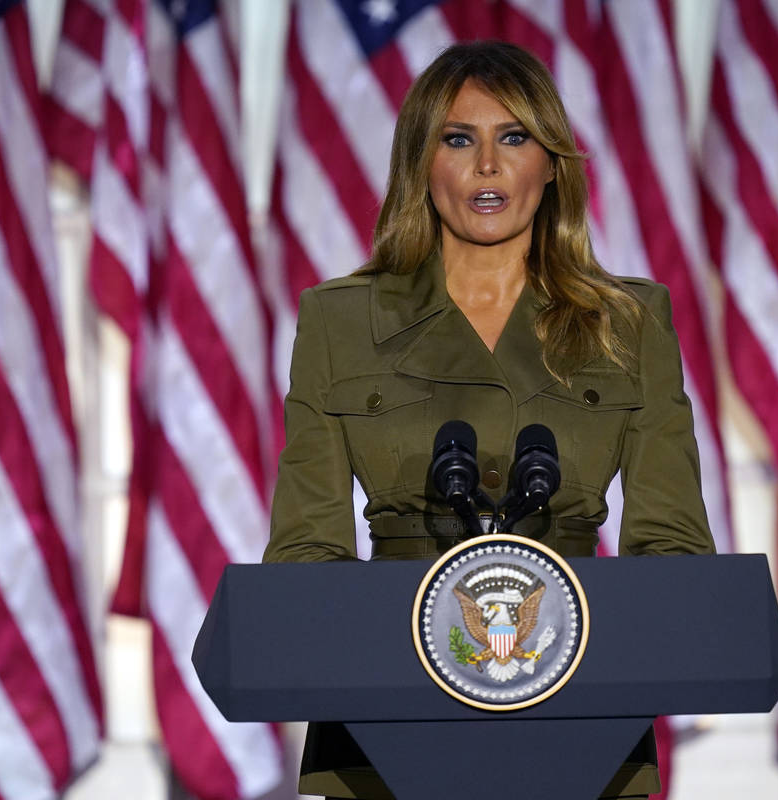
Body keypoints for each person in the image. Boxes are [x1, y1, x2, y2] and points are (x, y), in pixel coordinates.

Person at [264, 40, 715, 800]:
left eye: (513, 138)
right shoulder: (340, 320)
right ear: (420, 163)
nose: (487, 166)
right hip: (385, 722)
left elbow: (670, 548)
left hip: (581, 712)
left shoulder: (630, 322)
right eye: (457, 138)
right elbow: (306, 552)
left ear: (551, 165)